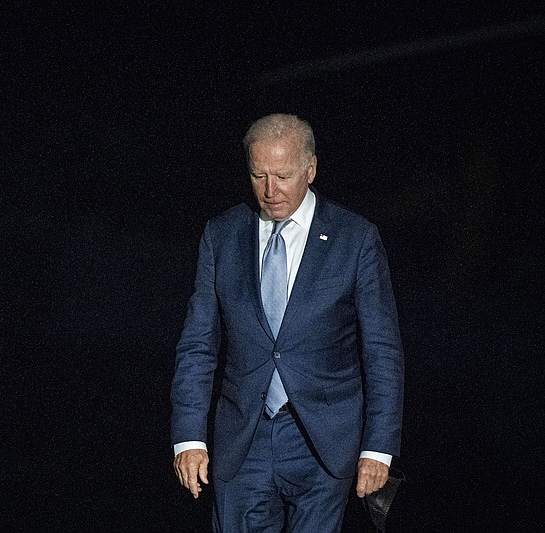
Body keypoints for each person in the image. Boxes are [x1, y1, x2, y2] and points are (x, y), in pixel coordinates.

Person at [171, 113, 404, 532]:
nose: (270, 190)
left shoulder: (356, 239)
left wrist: (379, 448)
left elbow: (382, 350)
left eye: (283, 175)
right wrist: (189, 437)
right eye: (258, 175)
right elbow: (198, 344)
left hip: (323, 443)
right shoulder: (222, 235)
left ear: (311, 169)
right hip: (244, 440)